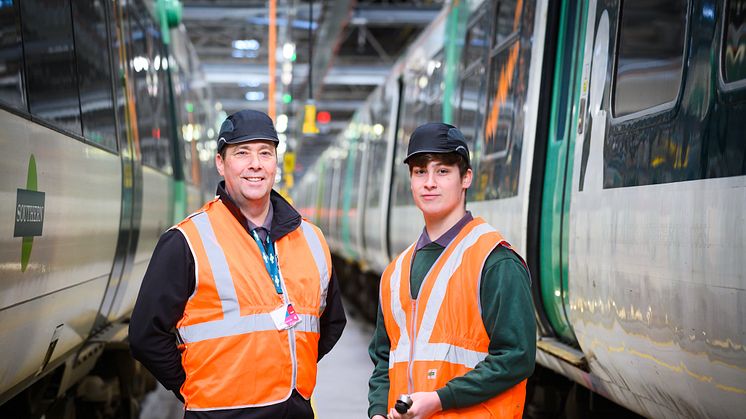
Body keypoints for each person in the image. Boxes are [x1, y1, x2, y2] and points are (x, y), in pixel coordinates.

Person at [130, 109, 346, 418]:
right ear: (221, 162)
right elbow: (144, 335)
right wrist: (192, 386)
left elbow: (330, 322)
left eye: (265, 153)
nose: (255, 164)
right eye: (242, 152)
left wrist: (288, 375)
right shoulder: (186, 242)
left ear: (275, 163)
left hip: (293, 411)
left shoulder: (312, 239)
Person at [367, 123, 535, 419]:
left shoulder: (494, 261)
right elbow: (384, 358)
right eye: (420, 172)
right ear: (411, 180)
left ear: (466, 178)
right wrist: (379, 410)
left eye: (442, 171)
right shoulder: (395, 273)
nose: (429, 182)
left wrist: (441, 399)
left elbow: (516, 357)